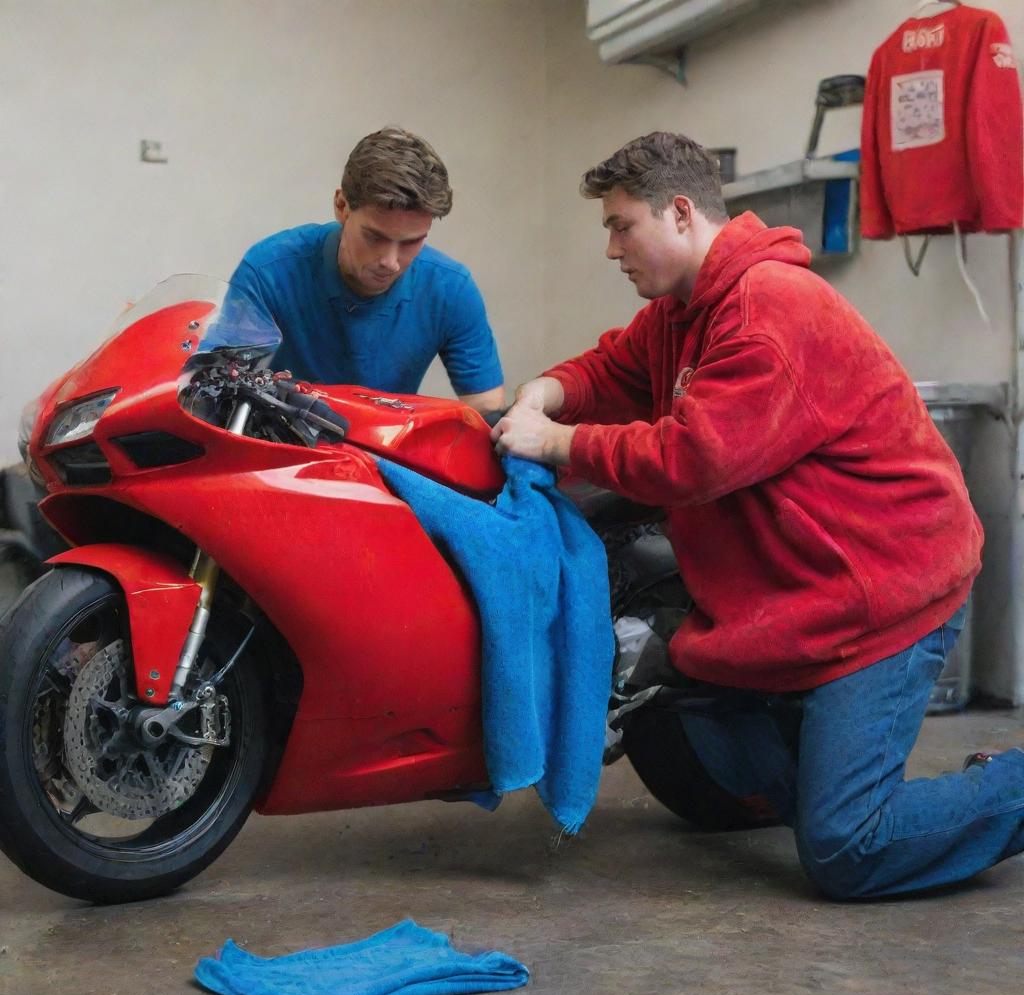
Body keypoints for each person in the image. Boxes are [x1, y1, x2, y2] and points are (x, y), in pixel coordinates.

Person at [490, 131, 1024, 900]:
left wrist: (558, 441)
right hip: (801, 593)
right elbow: (613, 368)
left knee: (847, 849)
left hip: (884, 598)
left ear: (679, 214)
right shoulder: (683, 309)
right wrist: (546, 390)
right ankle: (830, 767)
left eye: (620, 224)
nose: (611, 248)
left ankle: (996, 790)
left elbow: (691, 458)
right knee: (702, 743)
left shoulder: (768, 309)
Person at [225, 127, 504, 414]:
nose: (390, 261)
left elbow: (485, 413)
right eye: (375, 237)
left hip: (385, 451)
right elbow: (219, 391)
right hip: (286, 448)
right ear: (342, 206)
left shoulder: (451, 289)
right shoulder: (268, 271)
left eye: (411, 242)